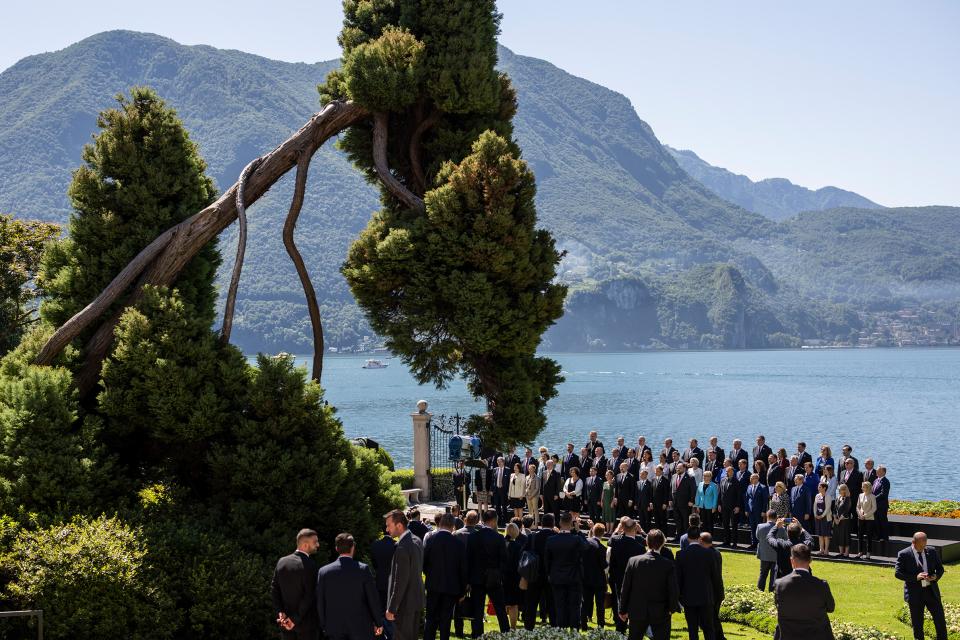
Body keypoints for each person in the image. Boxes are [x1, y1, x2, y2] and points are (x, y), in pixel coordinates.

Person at [316, 533, 383, 640]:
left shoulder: (323, 572)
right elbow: (372, 598)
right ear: (353, 548)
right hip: (360, 628)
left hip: (334, 628)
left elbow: (320, 602)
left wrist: (324, 625)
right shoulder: (363, 569)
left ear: (336, 548)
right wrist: (378, 622)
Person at [618, 529, 679, 640]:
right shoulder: (667, 564)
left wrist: (622, 609)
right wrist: (672, 608)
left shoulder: (634, 561)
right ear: (663, 543)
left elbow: (625, 588)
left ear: (646, 542)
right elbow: (673, 589)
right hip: (660, 611)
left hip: (638, 610)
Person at [773, 544, 835, 639]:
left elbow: (779, 606)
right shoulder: (821, 585)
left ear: (791, 560)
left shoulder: (780, 584)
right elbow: (830, 608)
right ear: (810, 560)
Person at [895, 531, 948, 640]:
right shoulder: (904, 554)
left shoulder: (931, 551)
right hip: (915, 594)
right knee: (918, 624)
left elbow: (940, 569)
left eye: (925, 545)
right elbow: (898, 573)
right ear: (913, 542)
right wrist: (915, 577)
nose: (923, 548)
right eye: (920, 546)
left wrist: (935, 577)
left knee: (940, 621)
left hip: (931, 591)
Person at [422, 514, 467, 640]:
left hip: (433, 585)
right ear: (453, 526)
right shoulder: (458, 544)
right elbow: (462, 569)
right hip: (451, 587)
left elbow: (424, 563)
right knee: (445, 621)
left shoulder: (431, 540)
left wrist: (430, 575)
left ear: (440, 524)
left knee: (430, 618)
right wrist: (463, 590)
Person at [466, 510, 509, 636]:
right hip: (494, 578)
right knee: (500, 610)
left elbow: (468, 559)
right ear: (494, 521)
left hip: (477, 579)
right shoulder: (498, 538)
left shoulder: (473, 537)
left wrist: (468, 580)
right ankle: (506, 633)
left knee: (477, 611)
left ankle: (477, 635)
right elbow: (504, 560)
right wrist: (499, 575)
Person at [272, 528, 320, 639]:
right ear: (305, 544)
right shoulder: (310, 565)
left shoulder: (281, 562)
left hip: (285, 624)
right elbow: (309, 596)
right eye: (315, 542)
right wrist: (294, 620)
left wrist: (280, 611)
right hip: (307, 626)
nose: (318, 545)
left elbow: (274, 589)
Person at [676, 526, 722, 640]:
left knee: (692, 630)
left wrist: (679, 598)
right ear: (699, 538)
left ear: (687, 538)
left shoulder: (681, 555)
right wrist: (718, 595)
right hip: (706, 597)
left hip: (688, 598)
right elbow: (716, 577)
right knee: (708, 629)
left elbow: (678, 579)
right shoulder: (710, 554)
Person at [384, 510, 425, 640]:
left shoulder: (403, 547)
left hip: (404, 606)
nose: (386, 529)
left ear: (399, 525)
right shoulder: (416, 540)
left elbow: (400, 581)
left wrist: (391, 608)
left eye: (388, 525)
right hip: (415, 601)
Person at [544, 512, 587, 629]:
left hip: (557, 576)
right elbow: (586, 547)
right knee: (575, 606)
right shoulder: (576, 539)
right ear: (571, 524)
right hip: (574, 577)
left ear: (560, 523)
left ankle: (561, 629)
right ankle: (574, 629)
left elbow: (547, 560)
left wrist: (549, 573)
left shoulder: (551, 540)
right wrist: (578, 531)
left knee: (559, 605)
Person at [607, 517, 647, 634]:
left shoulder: (615, 540)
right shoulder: (639, 547)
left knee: (618, 602)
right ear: (635, 529)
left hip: (617, 578)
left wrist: (617, 530)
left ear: (622, 528)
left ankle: (620, 627)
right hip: (633, 580)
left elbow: (610, 558)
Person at [523, 513, 556, 630]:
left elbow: (524, 553)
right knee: (553, 606)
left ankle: (528, 629)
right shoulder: (556, 536)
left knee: (531, 605)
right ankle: (554, 629)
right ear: (553, 524)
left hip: (534, 574)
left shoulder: (532, 537)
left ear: (541, 524)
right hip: (551, 575)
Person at [370, 528, 397, 640]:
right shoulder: (396, 546)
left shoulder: (376, 545)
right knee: (390, 610)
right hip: (392, 582)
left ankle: (380, 633)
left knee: (380, 610)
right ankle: (390, 634)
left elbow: (374, 563)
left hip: (380, 580)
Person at [581, 523, 608, 630]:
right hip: (598, 580)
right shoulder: (602, 548)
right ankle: (600, 625)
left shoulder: (585, 543)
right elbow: (604, 566)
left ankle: (583, 623)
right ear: (603, 533)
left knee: (585, 602)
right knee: (600, 604)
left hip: (585, 578)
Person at [700, 533, 726, 640]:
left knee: (711, 618)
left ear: (702, 541)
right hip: (718, 590)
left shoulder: (706, 554)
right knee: (714, 616)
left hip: (711, 591)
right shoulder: (716, 552)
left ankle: (719, 637)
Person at [756, 510, 785, 592]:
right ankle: (771, 594)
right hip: (776, 556)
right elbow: (785, 540)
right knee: (774, 577)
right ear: (776, 518)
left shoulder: (760, 526)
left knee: (762, 575)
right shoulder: (782, 529)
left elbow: (758, 537)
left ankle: (759, 592)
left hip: (764, 555)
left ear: (767, 516)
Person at [503, 523, 524, 629]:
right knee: (513, 604)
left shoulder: (501, 543)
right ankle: (513, 627)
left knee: (503, 602)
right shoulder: (518, 546)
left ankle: (504, 626)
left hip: (502, 577)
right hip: (514, 578)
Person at [670, 462, 696, 542]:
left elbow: (693, 490)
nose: (677, 469)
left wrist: (692, 501)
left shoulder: (690, 477)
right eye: (677, 468)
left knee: (685, 522)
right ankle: (678, 536)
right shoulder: (674, 476)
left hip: (685, 503)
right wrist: (670, 500)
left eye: (679, 468)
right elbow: (671, 488)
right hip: (675, 503)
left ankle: (685, 538)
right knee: (677, 521)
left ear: (684, 468)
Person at [718, 466, 742, 548]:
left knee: (734, 525)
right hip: (724, 506)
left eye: (728, 471)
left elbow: (739, 495)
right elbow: (720, 493)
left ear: (732, 472)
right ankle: (726, 541)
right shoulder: (722, 480)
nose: (727, 473)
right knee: (725, 524)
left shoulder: (736, 482)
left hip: (733, 507)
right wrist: (719, 504)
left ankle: (734, 543)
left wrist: (738, 506)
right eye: (726, 471)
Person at [744, 473, 769, 548]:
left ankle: (759, 543)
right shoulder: (749, 487)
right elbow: (747, 499)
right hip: (751, 511)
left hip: (759, 511)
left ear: (757, 479)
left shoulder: (763, 487)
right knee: (752, 527)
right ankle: (753, 543)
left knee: (759, 528)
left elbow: (765, 500)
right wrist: (746, 509)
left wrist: (764, 511)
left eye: (753, 478)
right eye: (750, 478)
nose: (751, 479)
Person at [856, 480, 877, 559]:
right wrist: (860, 514)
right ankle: (860, 552)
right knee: (860, 535)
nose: (862, 488)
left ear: (868, 487)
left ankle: (868, 553)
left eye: (864, 487)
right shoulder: (860, 495)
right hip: (861, 517)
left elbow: (874, 508)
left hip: (869, 518)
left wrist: (866, 515)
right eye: (862, 487)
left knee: (869, 536)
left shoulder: (872, 496)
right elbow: (857, 506)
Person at [813, 482, 833, 557]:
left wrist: (822, 515)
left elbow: (828, 508)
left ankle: (826, 550)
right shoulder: (817, 495)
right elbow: (815, 505)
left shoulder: (828, 496)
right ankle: (821, 550)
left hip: (825, 518)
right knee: (820, 535)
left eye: (820, 487)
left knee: (826, 535)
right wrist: (815, 514)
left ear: (824, 488)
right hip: (818, 518)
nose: (818, 488)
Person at [833, 484, 853, 558]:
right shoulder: (838, 497)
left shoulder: (847, 498)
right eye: (839, 489)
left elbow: (846, 510)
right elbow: (835, 509)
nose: (839, 490)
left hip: (844, 520)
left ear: (844, 490)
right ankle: (841, 552)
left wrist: (839, 519)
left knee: (845, 536)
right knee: (839, 535)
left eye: (840, 489)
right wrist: (835, 518)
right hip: (837, 520)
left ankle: (846, 553)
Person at [873, 465, 891, 542]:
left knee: (882, 521)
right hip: (875, 505)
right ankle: (878, 536)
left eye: (878, 470)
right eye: (877, 470)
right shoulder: (876, 480)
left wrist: (873, 498)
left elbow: (883, 494)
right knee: (876, 521)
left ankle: (884, 537)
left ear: (883, 472)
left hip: (882, 505)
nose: (876, 471)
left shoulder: (885, 481)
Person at [492, 457, 511, 526]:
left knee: (504, 506)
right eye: (497, 462)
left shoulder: (508, 470)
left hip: (504, 491)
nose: (498, 463)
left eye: (499, 462)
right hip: (496, 490)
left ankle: (504, 521)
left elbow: (509, 482)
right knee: (497, 506)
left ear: (503, 462)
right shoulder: (495, 469)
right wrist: (492, 490)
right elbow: (493, 480)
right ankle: (498, 520)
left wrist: (508, 491)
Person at [652, 464, 670, 533]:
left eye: (658, 471)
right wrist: (651, 502)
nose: (656, 472)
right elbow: (652, 492)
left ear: (662, 472)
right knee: (656, 520)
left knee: (663, 520)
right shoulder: (653, 480)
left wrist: (665, 503)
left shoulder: (665, 480)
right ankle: (657, 534)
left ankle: (664, 534)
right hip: (655, 503)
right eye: (656, 471)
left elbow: (666, 493)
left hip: (662, 504)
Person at [636, 468, 655, 532]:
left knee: (647, 520)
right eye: (640, 474)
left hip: (646, 505)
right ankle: (642, 532)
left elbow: (651, 495)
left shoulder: (650, 483)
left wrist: (649, 505)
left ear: (646, 475)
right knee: (641, 520)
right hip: (639, 505)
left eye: (642, 474)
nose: (641, 475)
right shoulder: (638, 483)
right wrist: (636, 504)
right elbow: (636, 494)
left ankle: (647, 532)